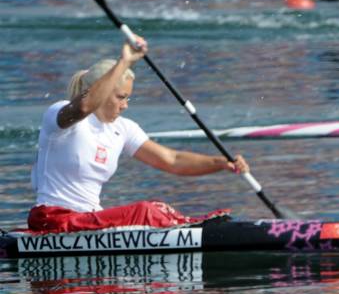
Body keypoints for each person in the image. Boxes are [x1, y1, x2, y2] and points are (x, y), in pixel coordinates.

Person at [28, 37, 248, 233]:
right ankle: (198, 231)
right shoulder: (59, 115)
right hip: (52, 220)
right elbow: (85, 106)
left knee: (154, 208)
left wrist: (220, 162)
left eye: (128, 98)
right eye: (121, 97)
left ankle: (195, 228)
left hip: (86, 221)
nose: (125, 105)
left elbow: (172, 160)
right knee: (145, 210)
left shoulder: (122, 128)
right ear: (100, 90)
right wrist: (124, 61)